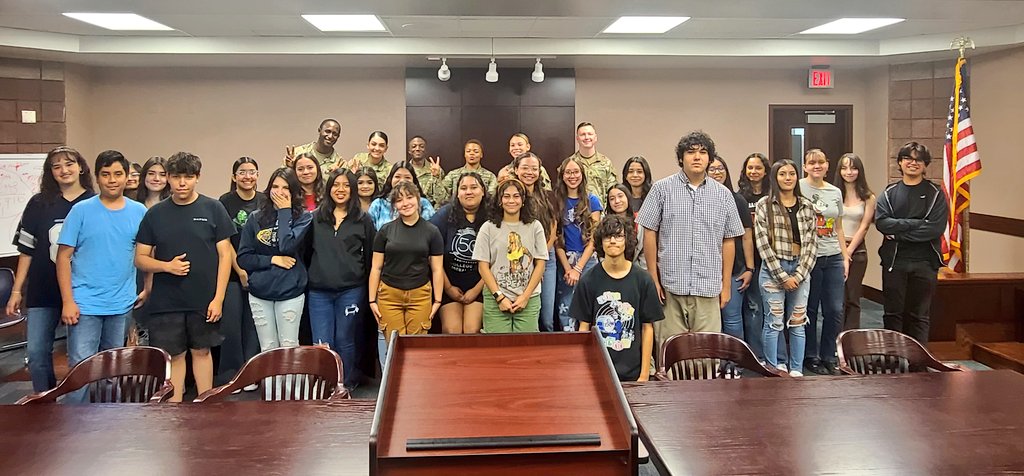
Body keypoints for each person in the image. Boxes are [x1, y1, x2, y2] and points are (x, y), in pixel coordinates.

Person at [135, 152, 235, 403]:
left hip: (204, 299)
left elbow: (225, 256)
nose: (182, 183)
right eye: (176, 177)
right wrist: (167, 266)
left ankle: (206, 406)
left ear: (197, 178)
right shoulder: (155, 214)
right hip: (166, 301)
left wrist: (218, 299)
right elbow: (140, 258)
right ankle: (174, 411)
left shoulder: (213, 208)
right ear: (168, 178)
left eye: (188, 177)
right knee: (175, 356)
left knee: (202, 352)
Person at [636, 131, 743, 356]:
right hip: (670, 286)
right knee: (671, 351)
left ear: (710, 159)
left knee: (706, 353)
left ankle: (704, 391)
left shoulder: (724, 195)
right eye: (691, 152)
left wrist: (725, 286)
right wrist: (653, 279)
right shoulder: (661, 189)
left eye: (703, 152)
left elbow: (729, 240)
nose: (697, 157)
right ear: (681, 158)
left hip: (708, 287)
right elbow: (649, 233)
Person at [56, 150, 147, 402]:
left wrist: (148, 287)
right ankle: (77, 429)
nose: (112, 180)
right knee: (81, 368)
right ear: (96, 177)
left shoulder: (139, 212)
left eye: (118, 174)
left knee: (113, 368)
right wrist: (68, 301)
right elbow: (63, 258)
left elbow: (146, 254)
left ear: (128, 177)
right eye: (105, 174)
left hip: (121, 304)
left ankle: (110, 427)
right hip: (84, 304)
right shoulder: (80, 211)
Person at [8, 146, 94, 392]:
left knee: (80, 357)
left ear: (80, 168)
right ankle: (44, 402)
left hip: (82, 290)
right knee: (36, 353)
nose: (64, 170)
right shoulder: (38, 204)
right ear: (50, 173)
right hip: (43, 289)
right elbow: (26, 251)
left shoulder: (93, 202)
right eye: (56, 166)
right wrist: (16, 291)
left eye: (69, 164)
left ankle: (78, 407)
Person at [572, 215, 663, 382]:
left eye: (618, 236)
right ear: (601, 242)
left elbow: (647, 328)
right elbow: (583, 328)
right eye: (607, 236)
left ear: (627, 240)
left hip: (634, 373)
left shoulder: (642, 280)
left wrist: (643, 375)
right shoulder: (588, 280)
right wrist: (582, 371)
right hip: (597, 373)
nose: (613, 241)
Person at [307, 169, 376, 390]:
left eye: (346, 185)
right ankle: (325, 384)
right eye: (336, 184)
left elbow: (370, 256)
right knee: (322, 342)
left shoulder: (363, 219)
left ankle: (345, 384)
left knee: (346, 339)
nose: (341, 189)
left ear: (353, 190)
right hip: (319, 292)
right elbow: (307, 252)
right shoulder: (316, 217)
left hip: (351, 290)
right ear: (329, 189)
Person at [875, 142, 948, 345]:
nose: (912, 163)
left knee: (919, 316)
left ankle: (919, 362)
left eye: (918, 160)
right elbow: (882, 223)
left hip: (925, 264)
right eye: (908, 158)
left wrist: (898, 234)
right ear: (900, 162)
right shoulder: (889, 193)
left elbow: (934, 229)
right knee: (893, 314)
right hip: (894, 262)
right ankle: (892, 359)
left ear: (925, 165)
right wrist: (916, 224)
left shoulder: (936, 194)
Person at [237, 167, 312, 355]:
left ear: (294, 191)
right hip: (260, 292)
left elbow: (287, 245)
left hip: (290, 291)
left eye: (285, 188)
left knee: (288, 346)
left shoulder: (303, 218)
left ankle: (289, 386)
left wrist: (285, 211)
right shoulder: (255, 218)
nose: (280, 192)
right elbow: (244, 258)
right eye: (275, 187)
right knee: (267, 349)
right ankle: (270, 386)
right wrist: (273, 259)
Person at [368, 181, 444, 363]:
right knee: (395, 349)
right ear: (394, 205)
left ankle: (417, 391)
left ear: (418, 200)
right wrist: (372, 300)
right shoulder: (385, 231)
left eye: (409, 197)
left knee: (417, 350)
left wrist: (438, 300)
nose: (405, 203)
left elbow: (437, 269)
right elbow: (376, 267)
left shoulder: (432, 232)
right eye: (399, 200)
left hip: (420, 295)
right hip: (389, 295)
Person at [755, 159, 818, 377]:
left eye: (791, 173)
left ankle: (797, 370)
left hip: (800, 268)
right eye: (782, 174)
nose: (788, 178)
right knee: (774, 322)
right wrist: (782, 276)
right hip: (774, 270)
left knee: (798, 323)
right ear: (775, 177)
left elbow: (812, 244)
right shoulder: (765, 205)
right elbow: (762, 244)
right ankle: (773, 368)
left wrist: (799, 274)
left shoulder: (806, 205)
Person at [473, 179, 548, 333]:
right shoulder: (488, 228)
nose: (511, 200)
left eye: (516, 196)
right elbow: (483, 267)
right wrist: (499, 297)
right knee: (497, 349)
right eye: (506, 196)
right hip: (496, 299)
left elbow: (540, 264)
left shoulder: (535, 226)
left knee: (527, 348)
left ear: (523, 200)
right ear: (500, 200)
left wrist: (525, 297)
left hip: (528, 298)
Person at [800, 149, 850, 375]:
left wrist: (845, 255)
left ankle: (829, 355)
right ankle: (811, 355)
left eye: (821, 162)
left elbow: (838, 226)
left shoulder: (835, 192)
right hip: (809, 257)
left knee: (834, 309)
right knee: (809, 309)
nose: (816, 166)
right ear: (805, 166)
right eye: (812, 163)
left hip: (833, 257)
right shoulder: (798, 187)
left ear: (828, 165)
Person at [216, 157, 264, 388]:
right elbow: (225, 243)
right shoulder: (224, 203)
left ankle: (252, 374)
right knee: (232, 325)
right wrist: (240, 270)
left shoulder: (265, 201)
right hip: (232, 273)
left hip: (260, 271)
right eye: (242, 172)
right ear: (234, 176)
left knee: (254, 325)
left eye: (252, 171)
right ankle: (231, 377)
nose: (247, 176)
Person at [430, 173, 489, 334]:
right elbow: (433, 256)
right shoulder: (444, 215)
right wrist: (448, 288)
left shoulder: (492, 217)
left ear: (483, 191)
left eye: (474, 187)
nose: (468, 192)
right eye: (463, 188)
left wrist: (476, 290)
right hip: (448, 285)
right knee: (452, 330)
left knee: (472, 330)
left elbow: (497, 261)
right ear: (457, 193)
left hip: (481, 286)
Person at [707, 156, 756, 344]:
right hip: (708, 271)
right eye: (712, 169)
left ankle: (735, 364)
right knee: (712, 323)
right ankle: (716, 363)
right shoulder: (699, 199)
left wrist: (749, 269)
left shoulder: (738, 200)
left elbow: (746, 236)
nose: (717, 172)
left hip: (735, 270)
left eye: (721, 168)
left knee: (732, 319)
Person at [554, 157, 602, 332]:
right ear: (562, 175)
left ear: (582, 174)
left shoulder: (592, 201)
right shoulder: (556, 201)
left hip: (588, 260)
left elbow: (594, 238)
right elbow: (556, 238)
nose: (572, 176)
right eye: (568, 172)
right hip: (564, 259)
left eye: (576, 172)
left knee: (589, 304)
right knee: (565, 307)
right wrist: (568, 268)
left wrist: (579, 268)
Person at [512, 152, 559, 332]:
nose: (529, 172)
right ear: (516, 170)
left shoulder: (549, 196)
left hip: (547, 259)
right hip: (518, 261)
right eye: (525, 168)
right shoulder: (510, 197)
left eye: (534, 169)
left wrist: (542, 255)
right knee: (523, 314)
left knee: (546, 319)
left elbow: (554, 227)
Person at [834, 153, 876, 330]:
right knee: (836, 300)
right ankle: (834, 341)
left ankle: (851, 340)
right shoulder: (834, 194)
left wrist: (848, 252)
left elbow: (865, 226)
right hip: (835, 248)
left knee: (852, 297)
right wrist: (843, 252)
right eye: (844, 168)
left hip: (857, 251)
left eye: (853, 168)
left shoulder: (869, 197)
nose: (849, 172)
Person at [737, 152, 771, 360]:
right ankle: (752, 352)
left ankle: (766, 353)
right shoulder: (741, 197)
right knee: (751, 307)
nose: (754, 172)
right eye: (750, 168)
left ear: (765, 171)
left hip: (770, 259)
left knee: (767, 308)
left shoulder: (772, 195)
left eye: (758, 168)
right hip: (748, 260)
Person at [367, 161, 435, 230]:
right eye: (397, 177)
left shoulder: (424, 204)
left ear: (414, 181)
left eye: (407, 177)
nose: (402, 180)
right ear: (390, 179)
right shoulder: (378, 204)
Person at [567, 122, 617, 207]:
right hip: (576, 214)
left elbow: (612, 190)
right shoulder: (570, 164)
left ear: (595, 138)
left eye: (590, 134)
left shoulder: (606, 163)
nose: (586, 137)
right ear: (577, 139)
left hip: (601, 215)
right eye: (583, 134)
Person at [604, 183, 646, 270]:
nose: (617, 201)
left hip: (636, 271)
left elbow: (643, 253)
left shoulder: (639, 221)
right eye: (612, 199)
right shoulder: (604, 224)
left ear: (628, 198)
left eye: (620, 196)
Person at [406, 135, 447, 207]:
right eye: (414, 146)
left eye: (421, 146)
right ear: (409, 151)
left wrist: (436, 176)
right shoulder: (405, 170)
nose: (417, 149)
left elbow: (442, 200)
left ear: (425, 150)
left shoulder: (436, 169)